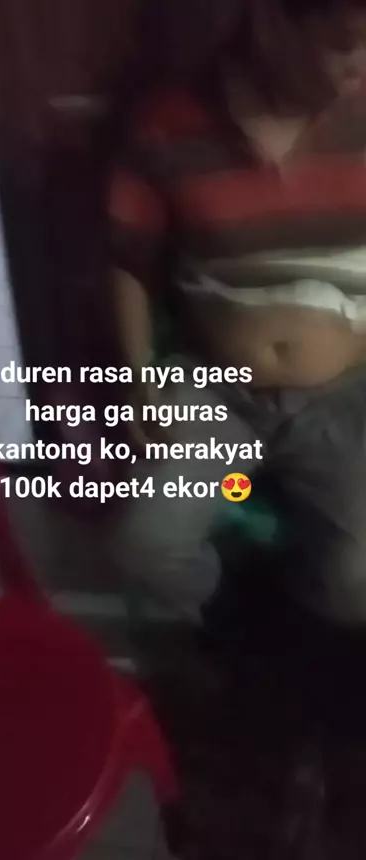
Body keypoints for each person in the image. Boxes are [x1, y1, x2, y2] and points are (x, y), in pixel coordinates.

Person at [107, 0, 366, 626]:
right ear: (273, 25)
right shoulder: (168, 123)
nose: (361, 64)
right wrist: (138, 376)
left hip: (345, 396)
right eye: (344, 44)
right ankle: (227, 610)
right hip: (216, 392)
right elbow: (129, 258)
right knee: (148, 548)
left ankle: (299, 583)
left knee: (356, 588)